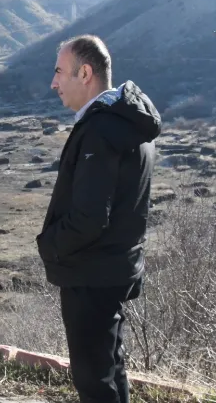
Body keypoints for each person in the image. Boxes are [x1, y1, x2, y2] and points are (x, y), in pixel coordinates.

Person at [36, 35, 161, 403]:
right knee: (109, 369)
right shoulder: (126, 122)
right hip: (113, 267)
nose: (53, 82)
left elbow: (90, 217)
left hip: (91, 272)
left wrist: (50, 245)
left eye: (59, 72)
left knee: (95, 381)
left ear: (85, 72)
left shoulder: (101, 130)